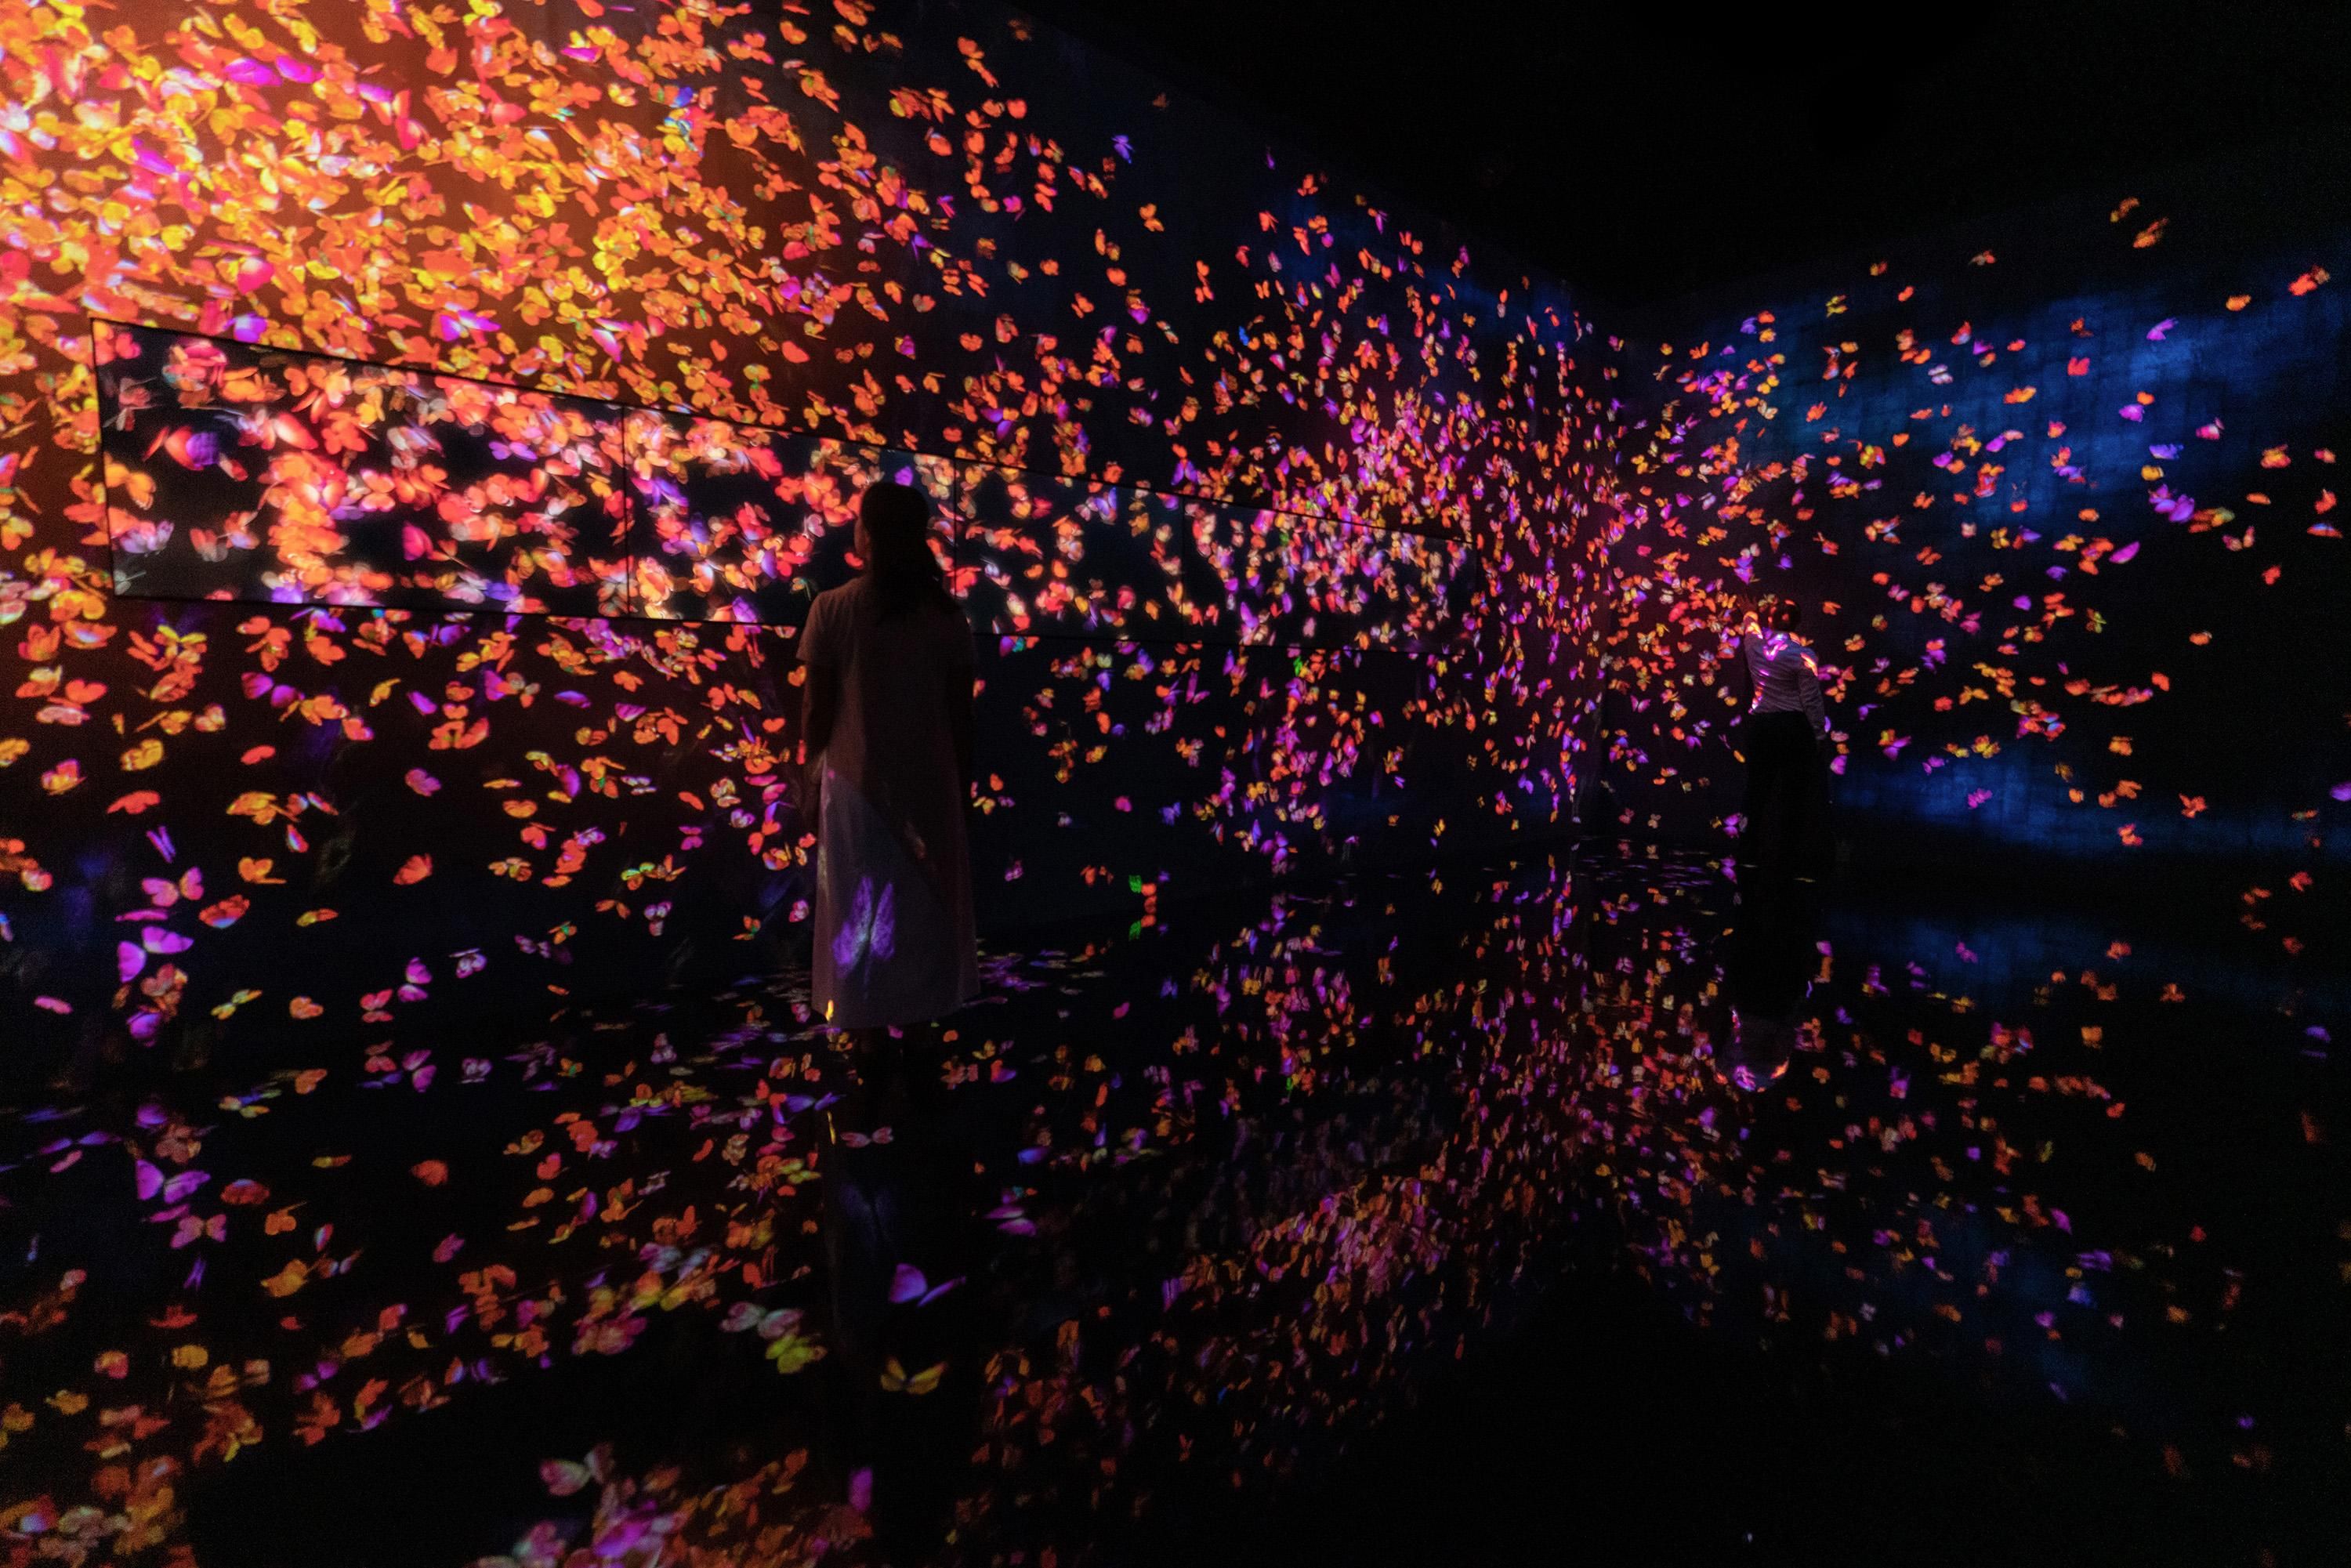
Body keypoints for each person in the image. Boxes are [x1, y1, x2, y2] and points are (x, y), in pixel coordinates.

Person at [800, 481, 980, 1110]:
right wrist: (964, 788)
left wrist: (808, 779)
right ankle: (923, 1032)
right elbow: (961, 717)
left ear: (866, 533)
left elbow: (818, 711)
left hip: (854, 788)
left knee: (859, 912)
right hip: (929, 788)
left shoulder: (832, 609)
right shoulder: (947, 616)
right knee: (924, 906)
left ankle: (869, 1039)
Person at [1718, 593, 1832, 1086]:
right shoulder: (1801, 655)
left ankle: (1747, 855)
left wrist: (1747, 611)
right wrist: (1819, 735)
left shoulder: (1756, 646)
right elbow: (1812, 700)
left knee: (1757, 791)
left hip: (1762, 724)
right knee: (1794, 795)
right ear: (1798, 621)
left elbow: (1748, 630)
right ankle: (1783, 860)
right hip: (1790, 727)